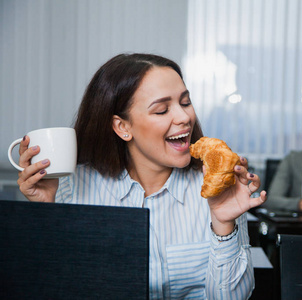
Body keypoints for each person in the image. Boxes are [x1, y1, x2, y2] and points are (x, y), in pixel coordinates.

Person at [15, 53, 267, 299]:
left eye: (185, 102)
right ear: (122, 127)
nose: (184, 117)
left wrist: (224, 225)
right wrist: (45, 213)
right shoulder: (69, 189)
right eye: (162, 110)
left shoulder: (218, 185)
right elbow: (55, 287)